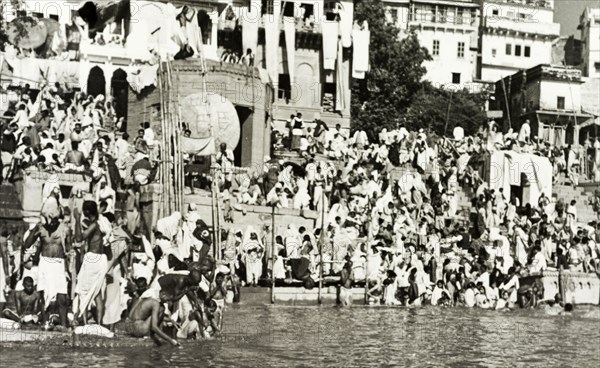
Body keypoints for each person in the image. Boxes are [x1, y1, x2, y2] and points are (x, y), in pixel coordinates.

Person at [23, 216, 70, 329]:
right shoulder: (41, 228)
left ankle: (63, 325)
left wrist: (68, 268)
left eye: (54, 218)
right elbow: (27, 244)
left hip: (59, 263)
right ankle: (45, 323)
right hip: (44, 263)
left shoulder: (65, 228)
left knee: (62, 296)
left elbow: (69, 248)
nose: (52, 222)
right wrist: (34, 230)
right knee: (42, 294)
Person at [73, 201, 109, 325]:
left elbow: (79, 238)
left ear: (87, 212)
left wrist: (77, 219)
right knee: (97, 291)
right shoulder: (97, 223)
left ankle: (85, 323)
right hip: (99, 259)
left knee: (84, 289)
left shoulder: (94, 225)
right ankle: (97, 324)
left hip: (93, 259)